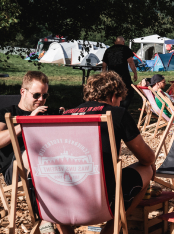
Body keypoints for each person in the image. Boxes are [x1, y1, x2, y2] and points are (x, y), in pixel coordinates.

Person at [62, 71, 155, 234]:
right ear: (113, 96)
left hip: (60, 201)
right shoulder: (117, 114)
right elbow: (147, 158)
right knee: (148, 169)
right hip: (102, 202)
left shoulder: (65, 115)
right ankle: (109, 230)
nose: (119, 104)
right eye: (119, 100)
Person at [0, 71, 61, 234]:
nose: (41, 99)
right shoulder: (7, 112)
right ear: (23, 91)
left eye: (44, 95)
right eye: (36, 95)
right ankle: (45, 220)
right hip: (14, 172)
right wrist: (27, 123)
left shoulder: (48, 111)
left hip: (50, 168)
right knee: (32, 152)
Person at [102, 36, 137, 110]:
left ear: (115, 42)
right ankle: (122, 107)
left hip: (111, 76)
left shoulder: (108, 50)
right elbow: (130, 61)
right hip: (123, 75)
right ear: (123, 42)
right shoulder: (125, 49)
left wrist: (103, 77)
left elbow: (104, 65)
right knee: (129, 92)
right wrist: (135, 73)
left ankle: (113, 107)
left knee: (112, 91)